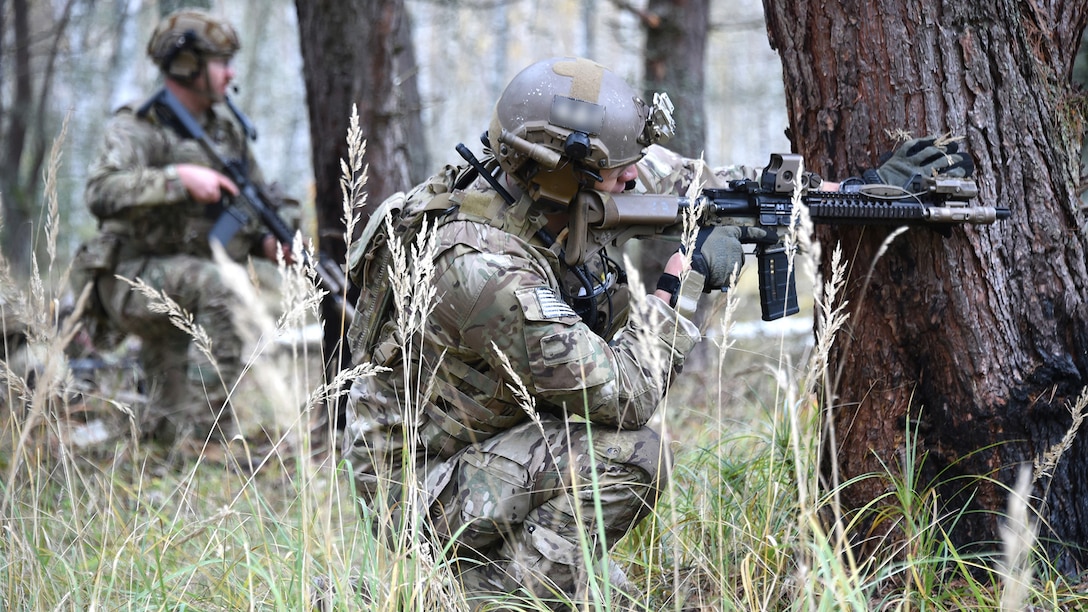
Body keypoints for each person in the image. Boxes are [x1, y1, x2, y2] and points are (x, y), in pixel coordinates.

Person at [341, 57, 973, 610]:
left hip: (495, 442)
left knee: (610, 591)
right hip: (419, 486)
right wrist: (688, 283)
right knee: (634, 458)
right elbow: (625, 393)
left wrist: (855, 192)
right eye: (622, 171)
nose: (636, 178)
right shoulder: (480, 269)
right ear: (567, 176)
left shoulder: (562, 179)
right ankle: (472, 598)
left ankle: (500, 574)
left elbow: (718, 187)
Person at [72, 10, 294, 445]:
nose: (231, 72)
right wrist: (179, 180)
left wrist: (269, 243)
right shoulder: (139, 125)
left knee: (163, 432)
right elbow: (100, 190)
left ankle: (172, 437)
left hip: (183, 279)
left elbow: (257, 203)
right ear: (187, 64)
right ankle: (209, 439)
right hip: (127, 277)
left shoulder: (226, 136)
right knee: (223, 289)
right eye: (221, 60)